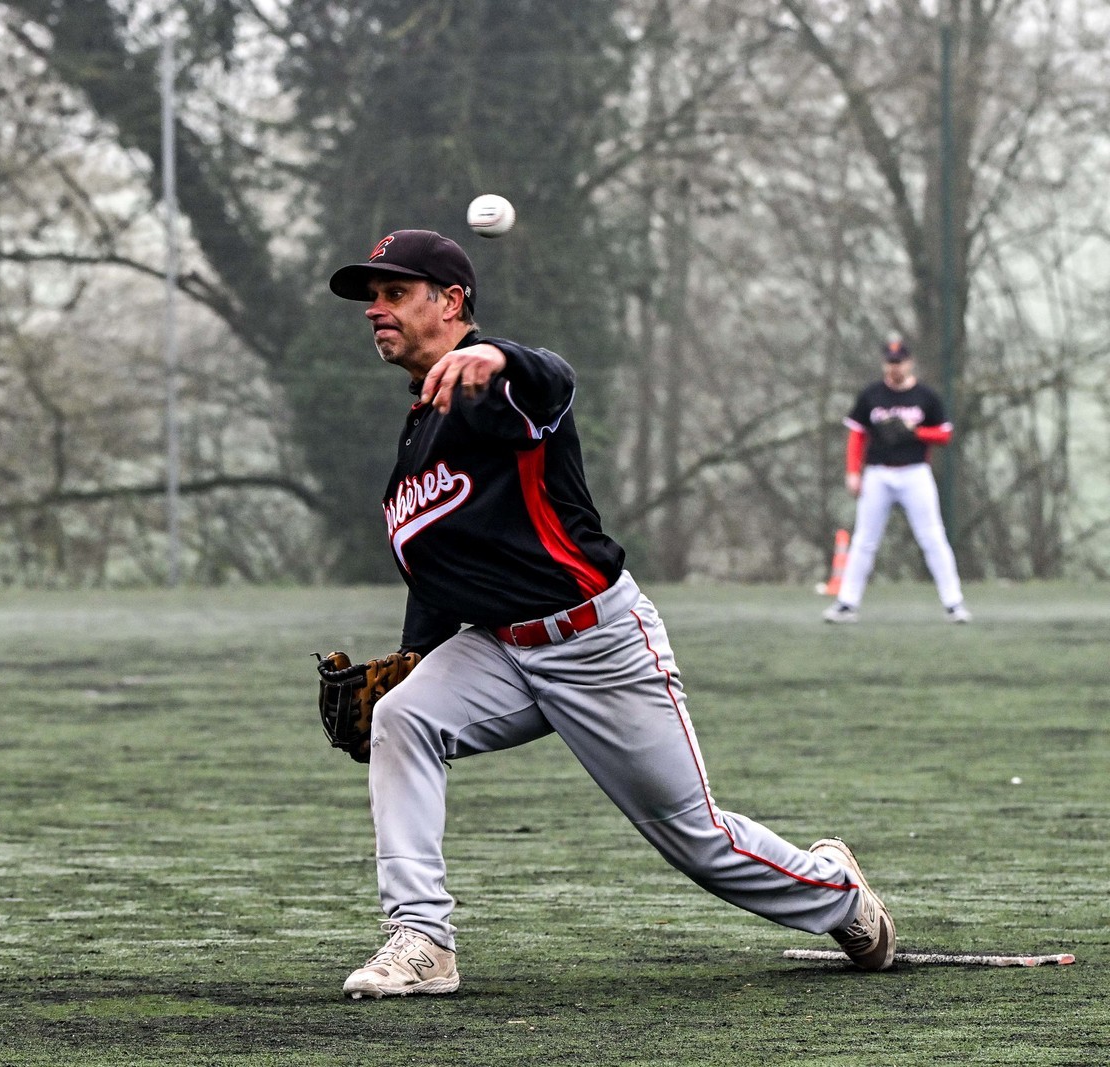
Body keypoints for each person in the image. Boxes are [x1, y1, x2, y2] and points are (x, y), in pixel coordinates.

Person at [324, 228, 896, 999]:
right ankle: (423, 938)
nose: (375, 310)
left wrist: (500, 357)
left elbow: (553, 382)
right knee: (402, 717)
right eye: (372, 297)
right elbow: (438, 566)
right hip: (498, 649)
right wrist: (414, 656)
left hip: (596, 641)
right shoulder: (420, 424)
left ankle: (839, 893)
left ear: (452, 302)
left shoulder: (495, 390)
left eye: (394, 293)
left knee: (696, 839)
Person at [822, 336, 971, 624]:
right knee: (864, 540)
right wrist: (853, 472)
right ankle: (846, 603)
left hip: (915, 473)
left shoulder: (926, 397)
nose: (895, 368)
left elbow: (945, 434)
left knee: (932, 537)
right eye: (890, 363)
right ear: (884, 364)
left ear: (909, 362)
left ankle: (954, 603)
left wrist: (915, 433)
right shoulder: (871, 396)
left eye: (899, 362)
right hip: (878, 473)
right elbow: (857, 435)